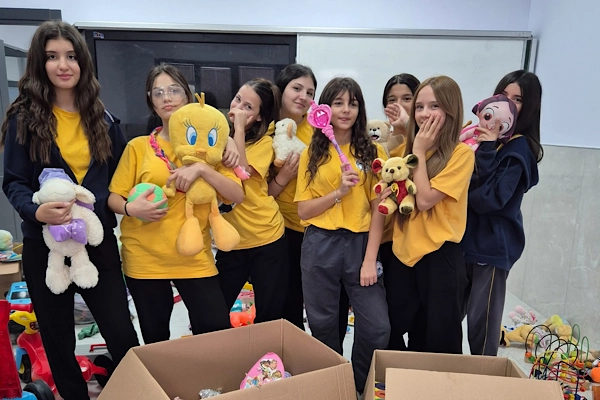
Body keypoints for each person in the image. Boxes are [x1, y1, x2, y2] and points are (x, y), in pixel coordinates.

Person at [1, 21, 139, 400]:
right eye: (52, 56)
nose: (63, 65)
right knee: (58, 341)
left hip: (97, 242)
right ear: (39, 63)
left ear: (82, 63)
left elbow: (121, 179)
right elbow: (14, 182)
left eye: (71, 56)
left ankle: (134, 392)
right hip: (45, 246)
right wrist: (35, 211)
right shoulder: (24, 119)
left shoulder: (103, 120)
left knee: (123, 334)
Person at [108, 63, 243, 344]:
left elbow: (236, 194)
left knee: (215, 334)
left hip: (195, 259)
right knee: (156, 341)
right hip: (145, 260)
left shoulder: (211, 146)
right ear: (151, 102)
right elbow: (114, 197)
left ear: (188, 96)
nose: (166, 98)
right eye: (158, 93)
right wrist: (131, 209)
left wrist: (203, 169)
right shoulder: (138, 147)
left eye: (174, 90)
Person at [295, 77, 390, 394]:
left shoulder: (373, 152)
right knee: (322, 325)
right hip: (320, 244)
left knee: (377, 327)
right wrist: (338, 193)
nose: (346, 110)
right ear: (326, 108)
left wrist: (370, 260)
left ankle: (359, 385)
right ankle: (335, 387)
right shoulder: (313, 153)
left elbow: (379, 209)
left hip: (360, 246)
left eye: (353, 103)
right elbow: (304, 210)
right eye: (338, 103)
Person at [385, 76, 475, 353]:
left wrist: (419, 151)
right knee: (388, 331)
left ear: (451, 109)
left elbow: (424, 200)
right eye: (419, 107)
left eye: (434, 106)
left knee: (438, 342)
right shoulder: (405, 150)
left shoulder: (460, 154)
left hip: (440, 257)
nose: (424, 114)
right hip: (402, 254)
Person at [462, 70, 543, 356]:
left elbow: (490, 199)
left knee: (482, 327)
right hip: (465, 242)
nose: (508, 103)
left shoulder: (518, 149)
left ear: (528, 107)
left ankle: (485, 379)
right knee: (448, 315)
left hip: (492, 248)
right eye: (503, 95)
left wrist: (458, 194)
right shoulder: (487, 137)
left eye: (517, 99)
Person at [217, 78, 289, 323]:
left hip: (266, 238)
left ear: (259, 117)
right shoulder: (218, 136)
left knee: (269, 315)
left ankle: (265, 350)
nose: (238, 108)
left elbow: (242, 171)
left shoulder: (265, 142)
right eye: (238, 99)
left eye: (248, 107)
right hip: (232, 241)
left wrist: (238, 130)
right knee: (215, 312)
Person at [266, 64, 318, 331]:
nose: (303, 97)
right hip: (274, 228)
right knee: (275, 300)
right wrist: (284, 177)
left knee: (299, 297)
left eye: (310, 92)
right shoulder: (265, 128)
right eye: (296, 88)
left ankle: (293, 349)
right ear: (281, 89)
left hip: (309, 227)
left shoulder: (317, 128)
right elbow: (256, 193)